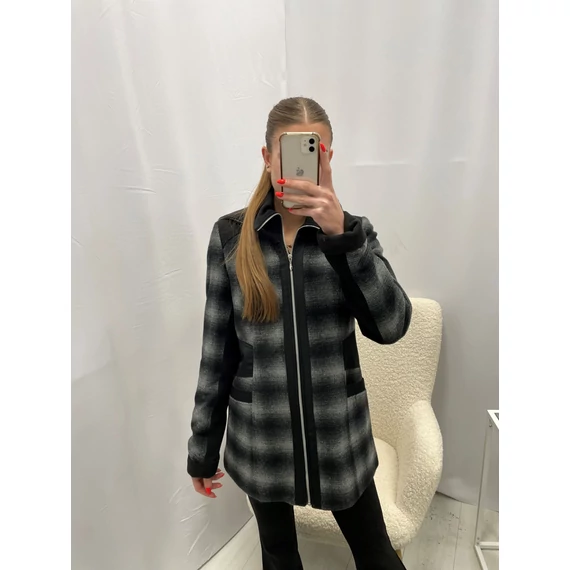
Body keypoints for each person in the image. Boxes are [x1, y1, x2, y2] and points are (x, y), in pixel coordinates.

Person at [187, 97, 412, 570]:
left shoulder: (352, 234)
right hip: (260, 437)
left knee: (377, 556)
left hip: (338, 434)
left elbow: (391, 326)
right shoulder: (231, 236)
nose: (301, 166)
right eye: (287, 153)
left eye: (315, 151)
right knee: (279, 558)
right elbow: (217, 352)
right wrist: (202, 450)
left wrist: (342, 238)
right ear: (268, 158)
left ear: (328, 158)